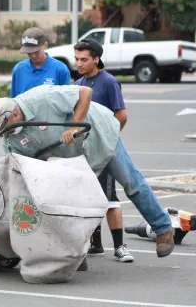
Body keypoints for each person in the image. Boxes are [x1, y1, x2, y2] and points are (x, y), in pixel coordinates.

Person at [0, 85, 175, 265]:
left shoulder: (42, 98)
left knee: (131, 182)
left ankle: (162, 228)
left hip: (99, 137)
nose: (4, 133)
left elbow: (85, 92)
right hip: (70, 159)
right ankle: (75, 253)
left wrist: (73, 128)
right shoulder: (11, 138)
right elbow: (13, 164)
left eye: (5, 127)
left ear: (15, 114)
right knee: (71, 203)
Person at [73, 39, 133, 263]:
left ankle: (119, 247)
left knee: (110, 198)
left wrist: (108, 140)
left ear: (96, 59)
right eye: (77, 59)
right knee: (89, 198)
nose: (79, 63)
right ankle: (95, 244)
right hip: (84, 152)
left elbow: (122, 115)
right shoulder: (78, 82)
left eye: (84, 59)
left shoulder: (109, 82)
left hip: (103, 151)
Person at [11, 27, 71, 98]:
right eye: (29, 52)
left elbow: (66, 100)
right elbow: (13, 101)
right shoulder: (19, 70)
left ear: (45, 45)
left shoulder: (60, 69)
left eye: (36, 51)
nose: (33, 55)